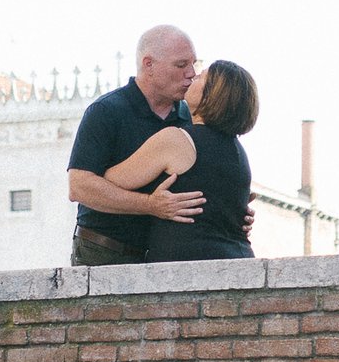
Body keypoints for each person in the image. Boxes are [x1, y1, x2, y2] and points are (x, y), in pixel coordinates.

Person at [65, 25, 205, 266]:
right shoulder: (106, 112)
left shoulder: (191, 118)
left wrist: (234, 216)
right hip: (105, 253)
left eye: (195, 64)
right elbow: (79, 187)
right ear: (148, 64)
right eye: (181, 65)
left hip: (164, 255)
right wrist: (151, 206)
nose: (192, 73)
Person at [110, 60, 258, 263]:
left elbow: (111, 180)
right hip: (238, 260)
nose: (192, 77)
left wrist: (151, 201)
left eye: (200, 77)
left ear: (213, 94)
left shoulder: (177, 140)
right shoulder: (238, 152)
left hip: (186, 267)